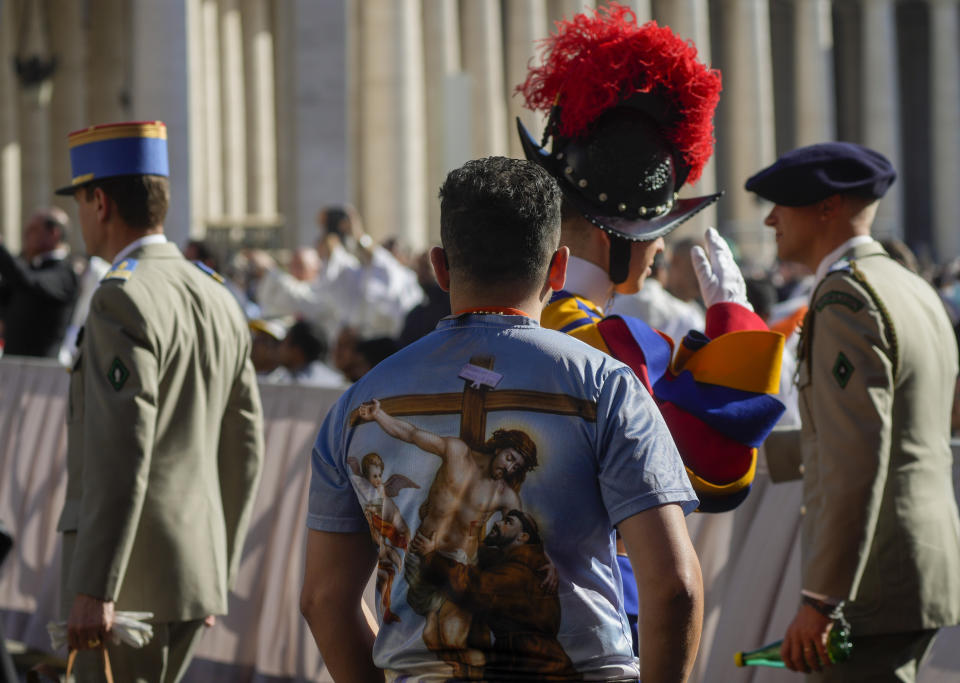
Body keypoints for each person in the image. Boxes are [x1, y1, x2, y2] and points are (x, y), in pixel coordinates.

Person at [300, 156, 703, 682]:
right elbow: (674, 586)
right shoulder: (606, 386)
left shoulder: (357, 405)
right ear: (558, 269)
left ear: (440, 267)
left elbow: (324, 598)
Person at [516, 3, 785, 514]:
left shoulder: (499, 317)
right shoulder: (612, 345)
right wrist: (734, 316)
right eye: (655, 232)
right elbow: (716, 469)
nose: (660, 248)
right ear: (613, 237)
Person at [54, 121, 265, 683]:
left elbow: (122, 452)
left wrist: (95, 585)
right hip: (193, 571)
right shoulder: (216, 293)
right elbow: (245, 446)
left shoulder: (120, 296)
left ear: (99, 201)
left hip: (126, 586)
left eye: (79, 200)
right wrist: (217, 569)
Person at [751, 142, 960, 681]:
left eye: (783, 203)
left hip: (871, 582)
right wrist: (754, 457)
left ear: (828, 208)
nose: (771, 219)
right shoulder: (908, 285)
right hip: (913, 563)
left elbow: (855, 456)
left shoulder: (847, 297)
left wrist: (822, 600)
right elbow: (901, 430)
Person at [0, 207, 79, 357]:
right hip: (11, 365)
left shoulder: (64, 273)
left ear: (54, 233)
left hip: (41, 371)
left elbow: (28, 281)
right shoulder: (30, 266)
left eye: (33, 230)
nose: (26, 235)